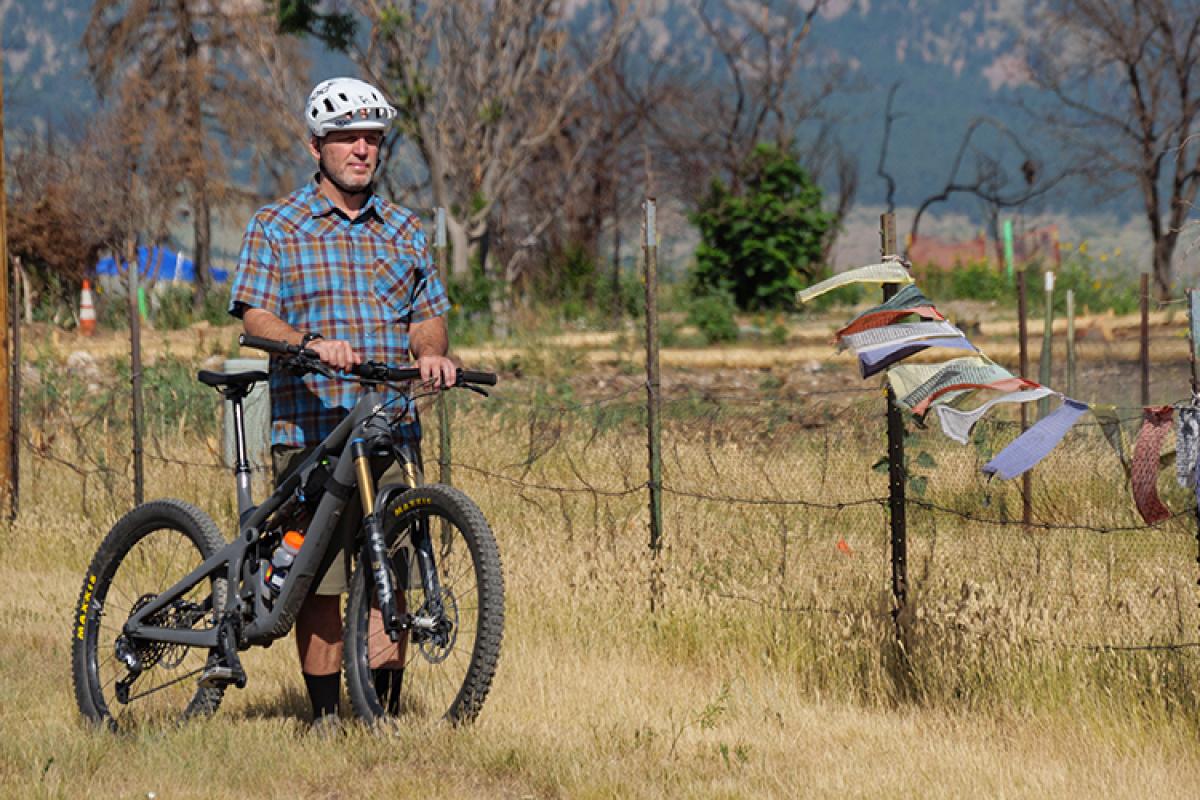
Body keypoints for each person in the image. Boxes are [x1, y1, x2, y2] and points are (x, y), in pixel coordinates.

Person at [228, 77, 455, 727]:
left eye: (373, 139)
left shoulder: (405, 230)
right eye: (347, 138)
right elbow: (255, 315)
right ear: (315, 146)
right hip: (313, 428)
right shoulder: (278, 226)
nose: (362, 149)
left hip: (390, 427)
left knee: (394, 576)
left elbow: (426, 316)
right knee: (320, 583)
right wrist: (310, 342)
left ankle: (381, 716)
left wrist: (433, 353)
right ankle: (327, 716)